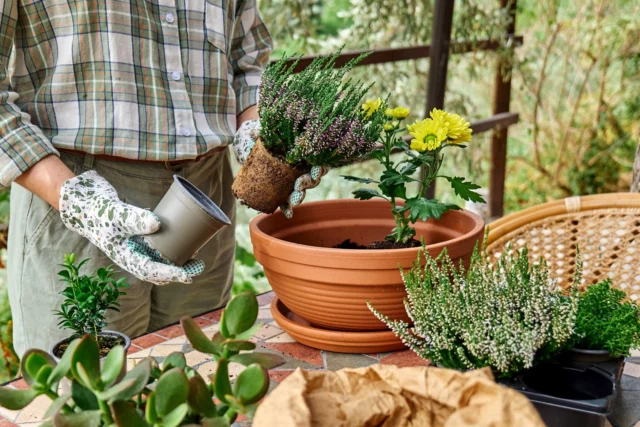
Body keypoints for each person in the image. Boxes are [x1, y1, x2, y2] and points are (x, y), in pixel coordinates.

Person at [0, 0, 322, 357]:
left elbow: (248, 62)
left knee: (198, 379)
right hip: (76, 197)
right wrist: (78, 200)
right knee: (83, 396)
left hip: (207, 196)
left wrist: (257, 130)